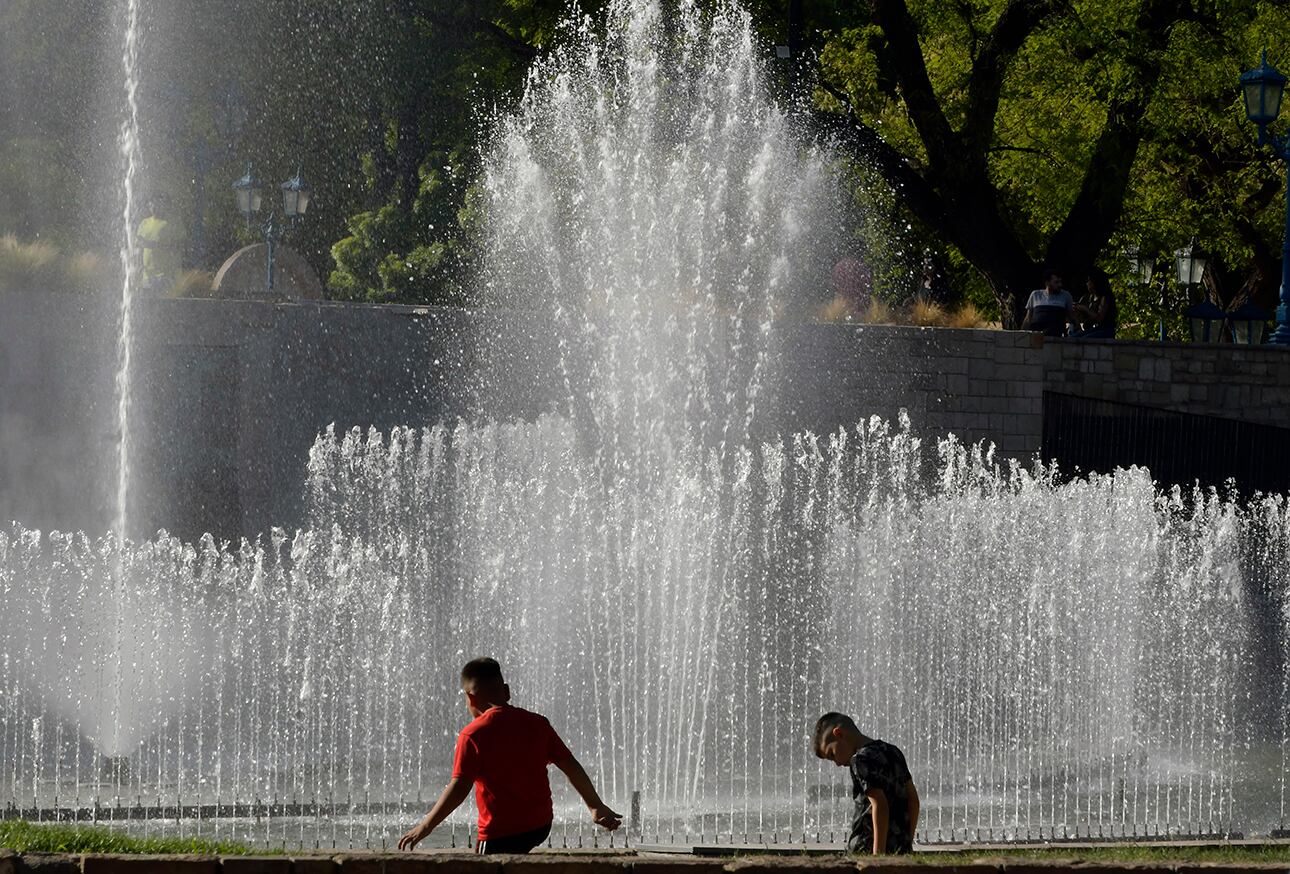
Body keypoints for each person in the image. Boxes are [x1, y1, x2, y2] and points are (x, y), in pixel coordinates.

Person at [398, 657, 622, 853]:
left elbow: (459, 789)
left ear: (470, 698)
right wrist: (595, 805)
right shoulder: (538, 724)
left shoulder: (473, 734)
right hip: (540, 826)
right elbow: (569, 765)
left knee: (484, 863)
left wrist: (425, 826)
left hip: (499, 833)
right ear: (506, 691)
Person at [813, 712, 919, 855]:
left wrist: (878, 856)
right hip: (897, 848)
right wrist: (907, 843)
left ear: (839, 734)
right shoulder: (893, 751)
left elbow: (879, 805)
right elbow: (913, 800)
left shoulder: (860, 760)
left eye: (832, 754)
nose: (837, 763)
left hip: (866, 847)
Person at [137, 196, 185, 294]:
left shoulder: (170, 223)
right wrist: (138, 265)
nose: (154, 206)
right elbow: (138, 245)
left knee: (162, 305)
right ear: (148, 206)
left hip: (164, 274)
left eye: (158, 204)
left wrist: (157, 245)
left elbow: (178, 245)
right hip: (147, 274)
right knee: (146, 305)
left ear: (163, 205)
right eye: (152, 203)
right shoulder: (144, 223)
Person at [1020, 269, 1073, 338]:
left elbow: (1071, 315)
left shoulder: (1065, 295)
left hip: (1056, 337)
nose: (1060, 285)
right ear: (1047, 283)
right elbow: (1028, 318)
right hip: (1036, 335)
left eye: (1060, 282)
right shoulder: (1035, 294)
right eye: (1056, 282)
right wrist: (1021, 334)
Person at [1072, 270, 1117, 339]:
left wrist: (1085, 309)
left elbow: (1099, 318)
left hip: (1106, 331)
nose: (1086, 283)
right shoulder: (1090, 297)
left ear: (1094, 282)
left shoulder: (1105, 297)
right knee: (1072, 338)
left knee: (1083, 340)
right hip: (1096, 329)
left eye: (1088, 280)